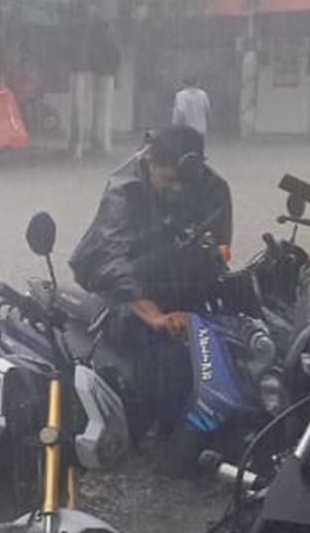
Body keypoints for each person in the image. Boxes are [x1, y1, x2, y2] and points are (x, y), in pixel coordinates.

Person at [68, 125, 233, 441]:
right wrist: (154, 315)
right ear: (151, 163)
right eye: (168, 181)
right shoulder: (124, 189)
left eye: (185, 182)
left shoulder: (212, 186)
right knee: (161, 355)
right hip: (123, 285)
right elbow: (114, 262)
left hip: (179, 279)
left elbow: (219, 251)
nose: (178, 191)